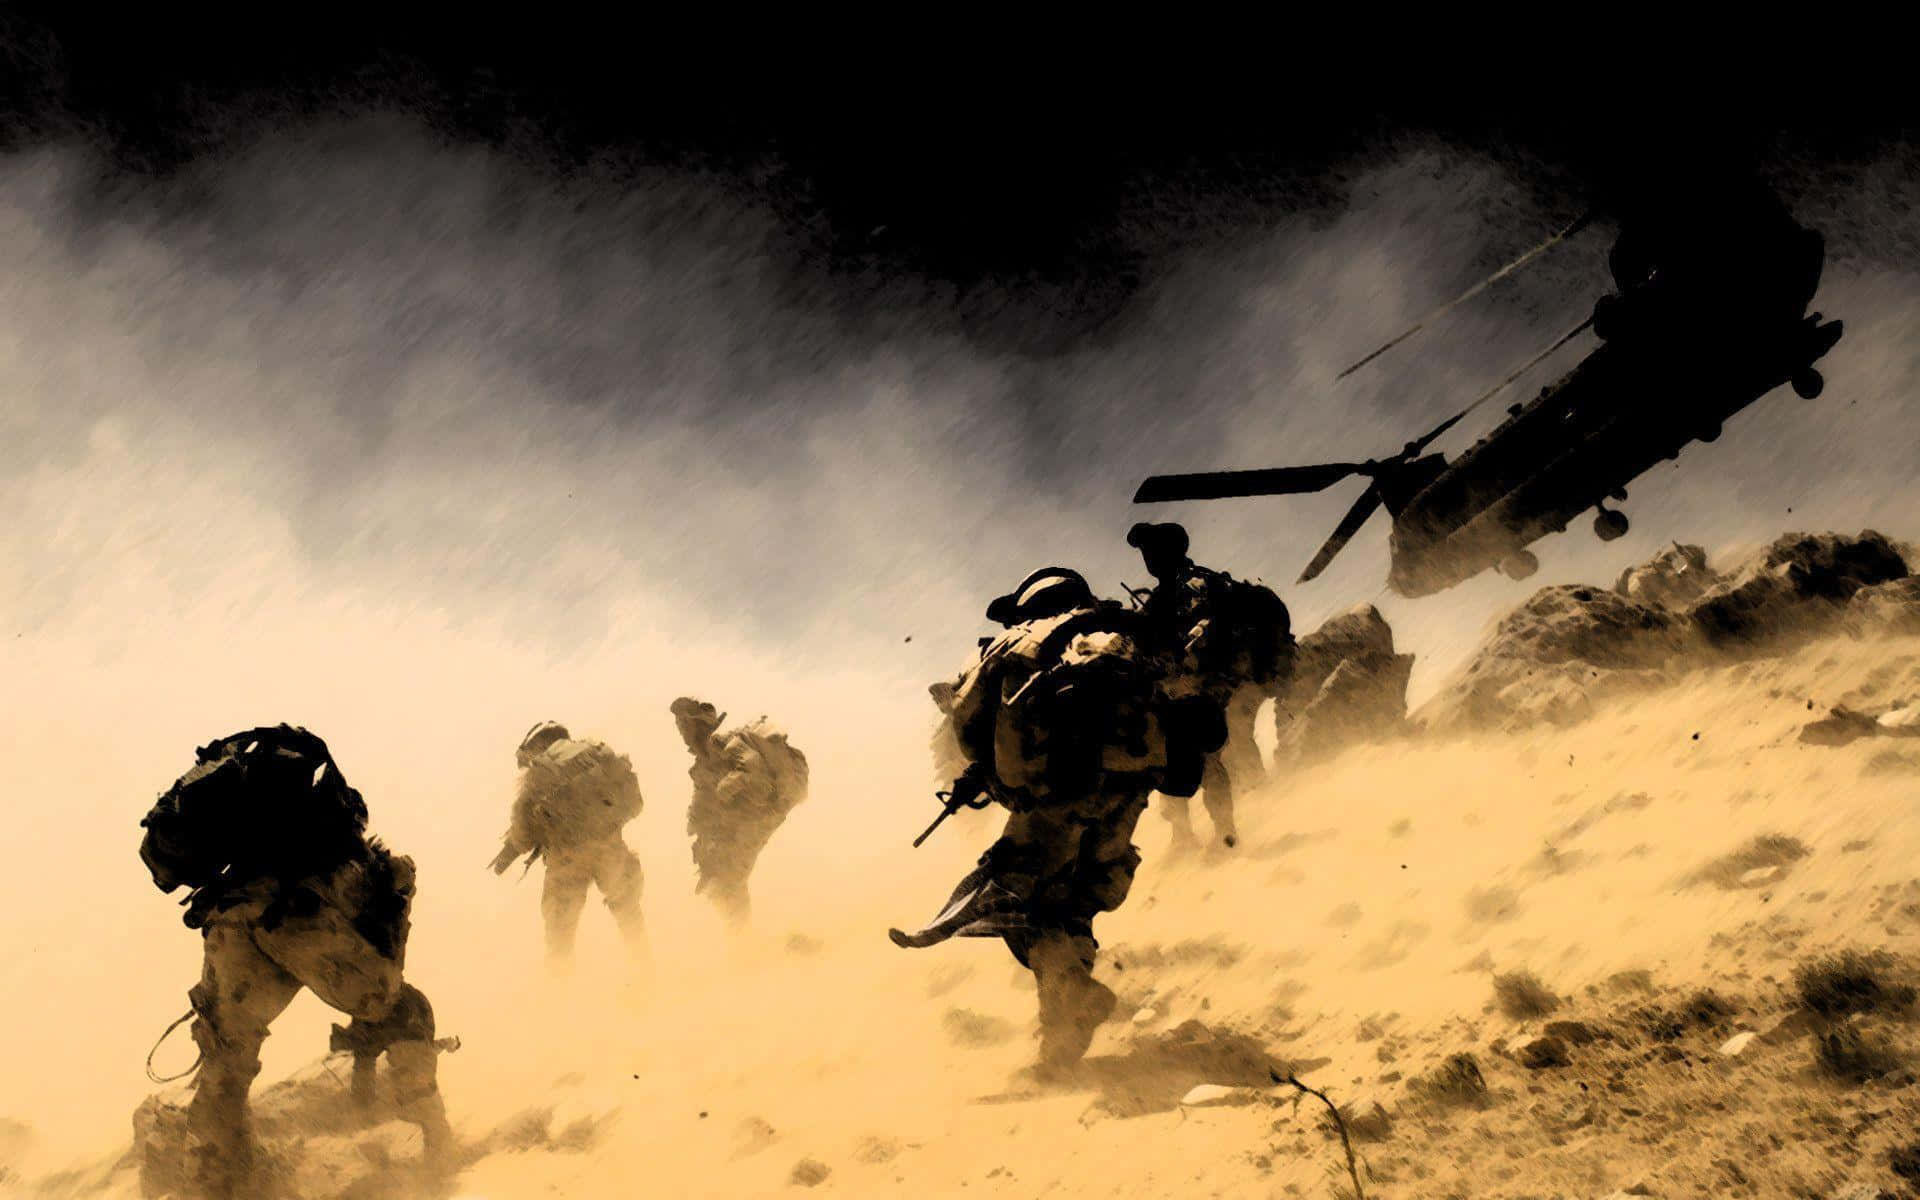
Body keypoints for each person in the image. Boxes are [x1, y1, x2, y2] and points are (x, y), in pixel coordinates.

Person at [890, 567, 1224, 1074]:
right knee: (1075, 904)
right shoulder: (1131, 634)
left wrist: (990, 776)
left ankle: (1073, 997)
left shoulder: (1019, 641)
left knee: (1014, 899)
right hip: (1132, 788)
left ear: (1028, 606)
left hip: (1058, 795)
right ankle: (1061, 1038)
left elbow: (968, 722)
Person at [138, 725, 452, 1198]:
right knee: (401, 1009)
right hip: (300, 920)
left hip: (231, 917)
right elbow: (386, 952)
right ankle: (438, 1152)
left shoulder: (245, 832)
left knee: (226, 1061)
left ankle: (215, 1186)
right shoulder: (356, 859)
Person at [1127, 522, 1294, 855]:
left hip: (1210, 687)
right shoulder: (1168, 597)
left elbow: (1206, 641)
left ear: (1170, 552)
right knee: (1175, 759)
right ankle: (1189, 836)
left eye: (1152, 551)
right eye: (1146, 552)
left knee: (1206, 758)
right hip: (1187, 690)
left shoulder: (1197, 587)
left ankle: (1225, 834)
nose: (1148, 559)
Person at [490, 721, 647, 969]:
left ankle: (560, 986)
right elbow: (635, 803)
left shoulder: (543, 767)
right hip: (610, 849)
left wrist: (507, 855)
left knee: (559, 932)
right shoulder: (599, 755)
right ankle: (645, 972)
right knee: (629, 916)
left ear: (540, 743)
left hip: (567, 859)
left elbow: (524, 825)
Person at [672, 698, 809, 925]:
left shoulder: (722, 743)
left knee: (730, 875)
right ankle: (738, 930)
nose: (680, 729)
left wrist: (725, 789)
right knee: (720, 875)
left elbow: (752, 766)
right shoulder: (701, 765)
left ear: (698, 725)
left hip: (762, 810)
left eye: (684, 723)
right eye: (679, 724)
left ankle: (741, 935)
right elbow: (700, 803)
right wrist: (696, 825)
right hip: (750, 814)